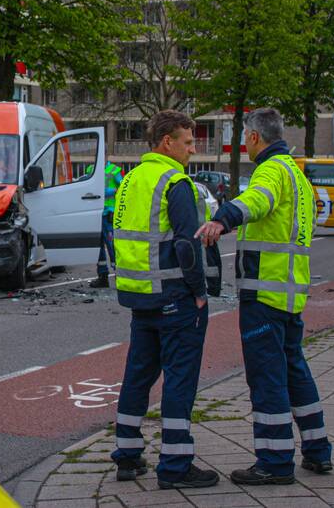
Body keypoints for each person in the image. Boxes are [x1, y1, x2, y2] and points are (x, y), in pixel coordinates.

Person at [196, 108, 332, 485]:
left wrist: (222, 218)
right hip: (291, 294)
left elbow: (258, 201)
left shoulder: (270, 171)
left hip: (265, 293)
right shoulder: (297, 175)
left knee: (267, 378)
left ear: (255, 138)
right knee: (295, 371)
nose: (244, 144)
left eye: (245, 138)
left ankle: (274, 461)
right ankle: (318, 450)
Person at [110, 110, 218, 490]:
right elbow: (188, 245)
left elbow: (116, 235)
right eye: (187, 142)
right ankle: (175, 464)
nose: (192, 149)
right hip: (175, 297)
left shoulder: (131, 180)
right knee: (179, 380)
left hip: (140, 297)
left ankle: (126, 456)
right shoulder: (176, 182)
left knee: (137, 376)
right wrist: (200, 293)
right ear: (166, 142)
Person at [89, 161, 124, 288]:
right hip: (95, 213)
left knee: (112, 246)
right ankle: (102, 277)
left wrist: (106, 191)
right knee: (98, 248)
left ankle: (120, 276)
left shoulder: (114, 170)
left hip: (109, 214)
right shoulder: (91, 169)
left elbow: (122, 188)